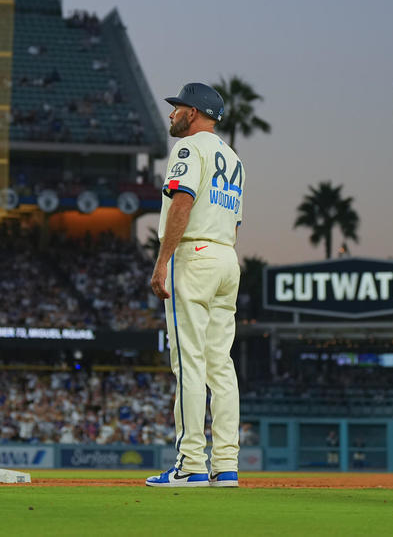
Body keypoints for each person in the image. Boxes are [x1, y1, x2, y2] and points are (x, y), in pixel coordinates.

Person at [145, 82, 243, 489]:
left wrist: (163, 260)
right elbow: (235, 221)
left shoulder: (189, 148)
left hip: (194, 255)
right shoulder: (234, 158)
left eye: (178, 107)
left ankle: (190, 464)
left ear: (197, 112)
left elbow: (182, 202)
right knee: (221, 366)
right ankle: (226, 466)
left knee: (189, 362)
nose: (172, 114)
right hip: (226, 256)